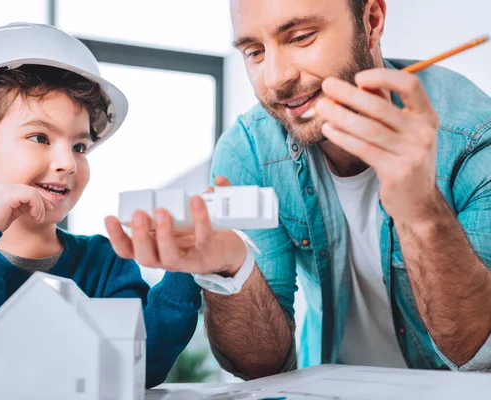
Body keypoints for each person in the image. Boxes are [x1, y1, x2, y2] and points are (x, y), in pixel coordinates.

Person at [106, 0, 491, 379]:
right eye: (254, 52)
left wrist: (421, 211)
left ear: (371, 20)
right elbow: (263, 365)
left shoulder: (475, 137)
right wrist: (229, 270)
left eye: (301, 37)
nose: (275, 78)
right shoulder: (250, 151)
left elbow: (474, 352)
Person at [0, 22, 201, 389]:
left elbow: (140, 368)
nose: (69, 163)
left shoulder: (105, 262)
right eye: (40, 137)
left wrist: (183, 269)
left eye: (79, 147)